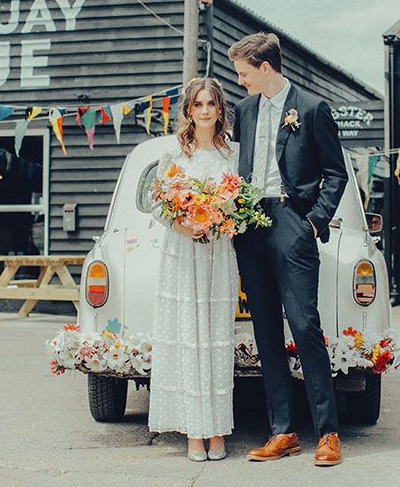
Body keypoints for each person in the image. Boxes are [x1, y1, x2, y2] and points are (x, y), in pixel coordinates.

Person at [228, 32, 348, 467]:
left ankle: (328, 432)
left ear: (265, 68)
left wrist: (313, 223)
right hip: (249, 226)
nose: (239, 81)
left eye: (244, 73)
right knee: (265, 332)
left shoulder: (313, 109)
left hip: (291, 222)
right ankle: (283, 431)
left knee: (304, 325)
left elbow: (336, 174)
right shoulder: (243, 111)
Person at [148, 77, 239, 462]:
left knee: (216, 339)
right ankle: (192, 433)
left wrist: (220, 218)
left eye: (211, 104)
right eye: (198, 104)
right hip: (183, 251)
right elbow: (158, 203)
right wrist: (183, 223)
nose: (204, 110)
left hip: (218, 252)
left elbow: (241, 199)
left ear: (220, 110)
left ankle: (217, 430)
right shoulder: (174, 155)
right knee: (188, 338)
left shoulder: (232, 154)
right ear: (188, 110)